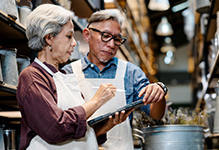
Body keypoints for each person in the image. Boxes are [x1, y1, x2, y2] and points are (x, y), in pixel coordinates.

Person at [16, 4, 133, 150]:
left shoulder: (65, 76)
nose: (74, 43)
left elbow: (81, 131)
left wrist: (110, 124)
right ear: (49, 38)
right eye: (69, 36)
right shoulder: (32, 77)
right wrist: (97, 101)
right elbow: (55, 128)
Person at [63, 9, 167, 150]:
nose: (111, 45)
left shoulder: (131, 73)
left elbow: (156, 114)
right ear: (87, 35)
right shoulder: (69, 73)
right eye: (105, 36)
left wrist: (159, 93)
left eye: (117, 39)